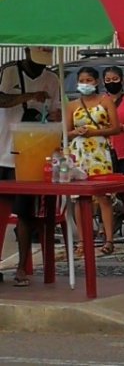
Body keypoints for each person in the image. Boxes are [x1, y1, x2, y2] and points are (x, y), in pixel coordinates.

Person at [0, 47, 62, 288]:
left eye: (44, 62)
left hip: (30, 157)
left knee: (26, 213)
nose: (40, 67)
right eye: (36, 62)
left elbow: (57, 113)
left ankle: (21, 267)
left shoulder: (52, 79)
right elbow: (2, 99)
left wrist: (55, 115)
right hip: (3, 150)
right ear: (26, 52)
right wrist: (29, 96)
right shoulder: (9, 72)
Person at [66, 66, 121, 256]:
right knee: (79, 198)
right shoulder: (72, 105)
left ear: (96, 82)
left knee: (104, 196)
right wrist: (76, 132)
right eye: (81, 81)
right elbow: (66, 132)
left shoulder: (105, 101)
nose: (85, 84)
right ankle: (82, 240)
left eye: (88, 80)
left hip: (99, 152)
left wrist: (95, 132)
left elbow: (116, 128)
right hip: (78, 152)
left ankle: (109, 239)